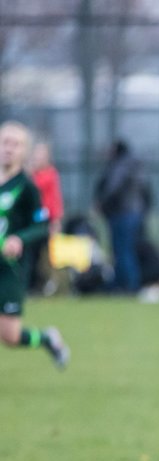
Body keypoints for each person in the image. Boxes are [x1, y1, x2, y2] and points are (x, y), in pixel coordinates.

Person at [0, 121, 69, 368]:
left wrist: (19, 239)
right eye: (5, 142)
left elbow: (41, 225)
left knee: (10, 336)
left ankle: (47, 339)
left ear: (24, 151)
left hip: (10, 269)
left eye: (15, 144)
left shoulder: (27, 187)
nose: (9, 148)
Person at [93, 139, 148, 293]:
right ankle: (124, 283)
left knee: (122, 251)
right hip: (133, 213)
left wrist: (101, 203)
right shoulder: (136, 167)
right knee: (125, 250)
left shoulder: (120, 166)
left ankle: (127, 285)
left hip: (122, 213)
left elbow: (113, 188)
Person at [27, 140, 63, 295]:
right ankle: (29, 284)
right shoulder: (29, 175)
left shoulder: (49, 175)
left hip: (44, 220)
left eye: (41, 154)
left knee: (45, 254)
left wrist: (55, 220)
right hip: (30, 219)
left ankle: (45, 285)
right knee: (30, 253)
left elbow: (54, 200)